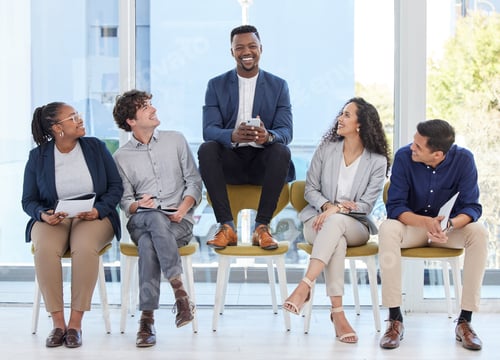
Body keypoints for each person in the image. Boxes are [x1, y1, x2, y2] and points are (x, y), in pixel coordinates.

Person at [282, 97, 390, 343]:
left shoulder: (377, 160)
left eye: (347, 115)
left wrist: (338, 210)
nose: (340, 119)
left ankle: (305, 285)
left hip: (356, 224)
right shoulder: (326, 149)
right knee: (335, 239)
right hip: (317, 221)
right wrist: (328, 207)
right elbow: (310, 189)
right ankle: (338, 314)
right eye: (341, 114)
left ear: (361, 124)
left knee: (336, 224)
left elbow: (365, 204)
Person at [378, 119, 488, 351]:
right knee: (387, 228)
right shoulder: (403, 157)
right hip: (415, 227)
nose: (412, 148)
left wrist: (449, 224)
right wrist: (426, 223)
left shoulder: (464, 160)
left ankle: (465, 321)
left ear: (437, 154)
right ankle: (395, 319)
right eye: (413, 142)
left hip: (449, 230)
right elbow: (395, 206)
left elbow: (472, 207)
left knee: (478, 233)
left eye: (418, 146)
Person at [21, 102, 123, 348]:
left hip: (94, 215)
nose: (80, 119)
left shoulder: (96, 147)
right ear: (57, 127)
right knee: (45, 249)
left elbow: (115, 187)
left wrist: (98, 209)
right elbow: (28, 200)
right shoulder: (38, 156)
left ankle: (75, 324)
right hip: (54, 216)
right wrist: (42, 215)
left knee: (84, 247)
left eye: (77, 115)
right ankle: (58, 324)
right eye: (72, 117)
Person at [112, 89, 202, 347]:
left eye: (151, 104)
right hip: (142, 220)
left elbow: (194, 183)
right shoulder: (121, 157)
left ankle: (147, 319)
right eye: (145, 107)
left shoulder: (176, 140)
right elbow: (125, 201)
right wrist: (138, 204)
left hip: (178, 221)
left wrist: (182, 210)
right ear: (131, 121)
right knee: (152, 217)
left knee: (150, 243)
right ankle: (179, 292)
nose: (153, 109)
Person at [198, 24, 295, 250]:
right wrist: (232, 134)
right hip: (231, 161)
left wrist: (268, 136)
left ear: (261, 48)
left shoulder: (279, 86)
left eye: (252, 46)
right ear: (232, 52)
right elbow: (209, 129)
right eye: (239, 47)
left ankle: (262, 228)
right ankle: (226, 227)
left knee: (282, 150)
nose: (246, 51)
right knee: (207, 148)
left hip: (264, 164)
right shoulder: (216, 85)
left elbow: (286, 131)